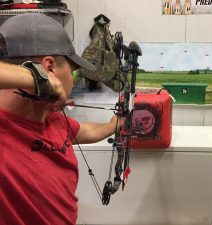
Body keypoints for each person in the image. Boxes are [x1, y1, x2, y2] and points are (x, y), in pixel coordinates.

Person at [0, 13, 124, 225]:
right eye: (73, 71)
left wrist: (114, 125)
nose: (73, 80)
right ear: (49, 68)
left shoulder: (52, 119)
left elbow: (83, 131)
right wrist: (37, 79)